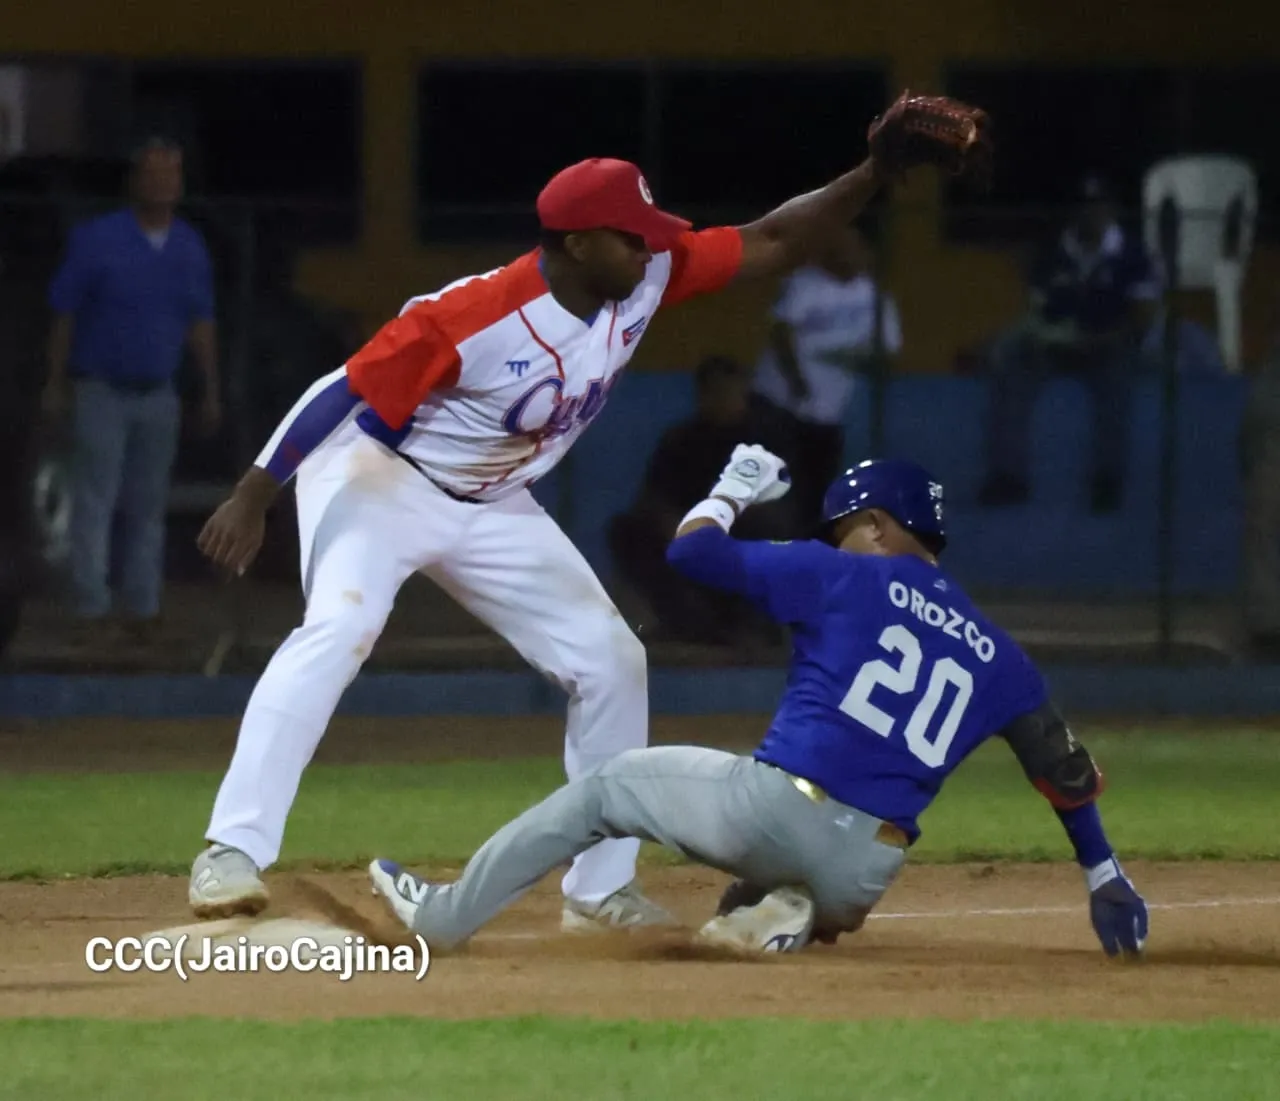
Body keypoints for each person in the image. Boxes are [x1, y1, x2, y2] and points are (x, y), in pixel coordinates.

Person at [188, 92, 992, 930]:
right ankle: (230, 851)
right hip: (381, 478)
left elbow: (774, 239)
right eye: (629, 231)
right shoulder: (474, 316)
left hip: (495, 500)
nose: (651, 242)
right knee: (338, 630)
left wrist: (871, 174)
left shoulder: (643, 272)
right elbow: (342, 390)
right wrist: (255, 492)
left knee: (612, 660)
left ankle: (598, 888)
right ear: (577, 243)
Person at [367, 448, 1148, 958]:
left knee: (607, 785)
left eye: (847, 526)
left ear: (877, 527)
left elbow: (691, 551)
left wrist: (730, 489)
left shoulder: (842, 573)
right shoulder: (999, 653)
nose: (836, 537)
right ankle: (793, 907)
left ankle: (443, 916)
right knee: (773, 876)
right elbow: (1064, 773)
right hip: (867, 870)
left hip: (777, 813)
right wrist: (1103, 874)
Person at [41, 136, 221, 636]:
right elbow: (65, 315)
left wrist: (209, 389)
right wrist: (55, 384)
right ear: (135, 181)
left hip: (158, 392)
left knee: (148, 504)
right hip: (100, 388)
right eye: (154, 173)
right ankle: (90, 608)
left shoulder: (187, 245)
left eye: (172, 174)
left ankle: (143, 609)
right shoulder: (97, 238)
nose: (164, 184)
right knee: (95, 501)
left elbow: (201, 322)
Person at [978, 174, 1160, 514]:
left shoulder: (1132, 253)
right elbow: (1035, 310)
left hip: (1110, 344)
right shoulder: (1053, 252)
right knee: (1013, 369)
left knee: (1117, 387)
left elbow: (1143, 317)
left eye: (1098, 207)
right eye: (1084, 207)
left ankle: (1107, 481)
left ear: (1111, 210)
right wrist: (1043, 336)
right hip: (1057, 345)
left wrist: (1101, 340)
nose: (1091, 215)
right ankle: (1007, 476)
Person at [607, 354, 799, 646]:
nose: (722, 399)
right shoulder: (681, 440)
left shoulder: (765, 440)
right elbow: (654, 498)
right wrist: (678, 525)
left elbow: (780, 503)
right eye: (714, 392)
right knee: (627, 532)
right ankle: (686, 624)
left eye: (730, 391)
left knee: (766, 536)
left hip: (740, 533)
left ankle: (750, 627)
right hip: (687, 536)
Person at [752, 221, 902, 521]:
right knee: (770, 487)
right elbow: (781, 334)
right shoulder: (804, 284)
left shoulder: (873, 296)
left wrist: (852, 359)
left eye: (850, 246)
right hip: (778, 402)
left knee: (815, 490)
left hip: (828, 410)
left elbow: (887, 352)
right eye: (836, 246)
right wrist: (796, 382)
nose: (842, 253)